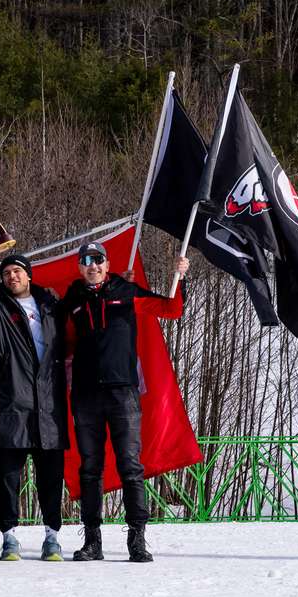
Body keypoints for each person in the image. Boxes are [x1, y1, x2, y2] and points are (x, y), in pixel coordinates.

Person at [56, 241, 189, 563]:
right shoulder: (72, 298)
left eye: (98, 260)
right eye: (86, 261)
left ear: (107, 263)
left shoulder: (126, 291)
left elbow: (172, 310)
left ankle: (137, 540)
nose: (93, 266)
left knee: (131, 467)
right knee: (91, 470)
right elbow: (61, 340)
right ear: (79, 267)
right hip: (86, 395)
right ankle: (92, 541)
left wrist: (180, 277)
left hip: (122, 393)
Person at [0, 236, 68, 562]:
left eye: (18, 271)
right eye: (7, 272)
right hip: (12, 408)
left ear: (29, 275)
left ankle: (52, 537)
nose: (12, 276)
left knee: (51, 479)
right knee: (8, 479)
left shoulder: (50, 306)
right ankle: (9, 537)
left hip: (49, 409)